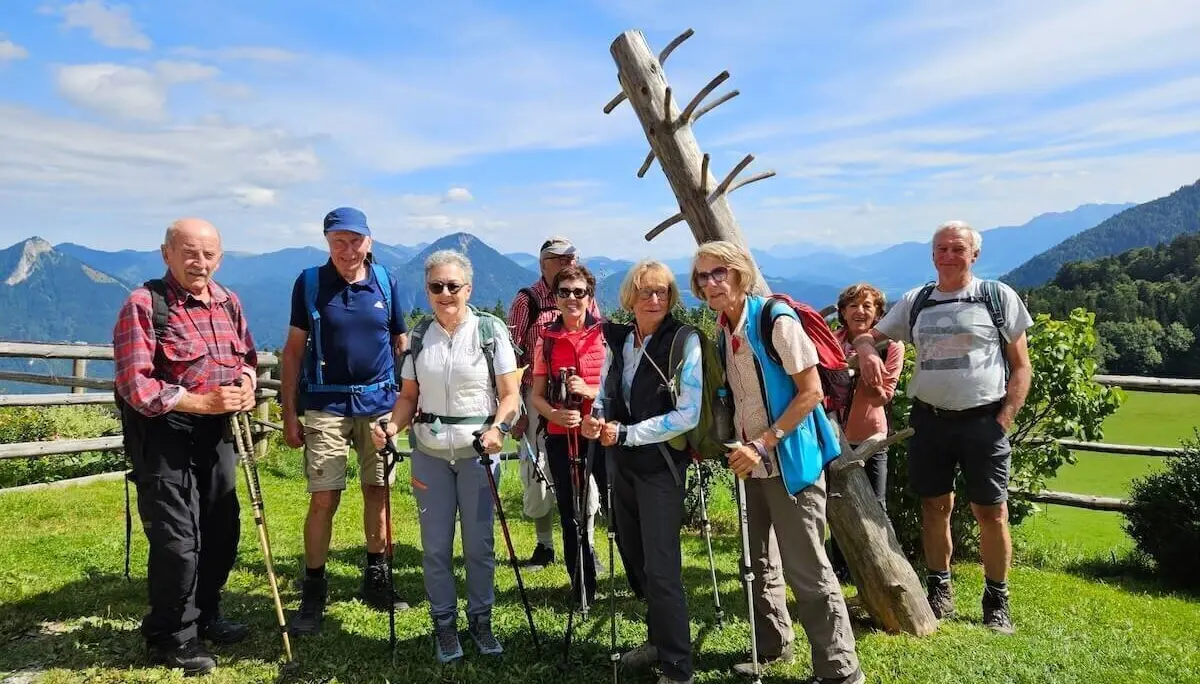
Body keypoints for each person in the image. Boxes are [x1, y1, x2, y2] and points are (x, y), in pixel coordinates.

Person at [691, 241, 864, 684]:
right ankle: (771, 647)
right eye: (702, 276)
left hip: (789, 463)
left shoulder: (774, 320)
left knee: (807, 570)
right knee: (758, 564)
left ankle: (841, 671)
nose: (710, 283)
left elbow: (811, 392)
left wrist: (765, 442)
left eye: (719, 273)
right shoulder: (722, 329)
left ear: (740, 274)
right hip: (750, 464)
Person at [854, 220, 1033, 634]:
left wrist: (1003, 420)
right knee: (935, 508)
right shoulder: (917, 300)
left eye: (957, 249)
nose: (948, 256)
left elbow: (1022, 367)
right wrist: (867, 352)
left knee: (991, 511)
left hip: (983, 421)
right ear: (932, 254)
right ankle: (940, 590)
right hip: (929, 420)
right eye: (941, 249)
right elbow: (867, 337)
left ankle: (996, 600)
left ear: (974, 254)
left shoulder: (995, 297)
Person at [113, 218, 257, 676]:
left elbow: (248, 357)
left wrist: (248, 386)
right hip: (164, 431)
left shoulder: (227, 301)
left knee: (222, 527)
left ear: (220, 256)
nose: (200, 263)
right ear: (167, 253)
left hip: (216, 430)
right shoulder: (144, 304)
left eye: (209, 254)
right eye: (189, 252)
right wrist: (199, 401)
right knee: (178, 539)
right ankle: (170, 637)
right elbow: (136, 386)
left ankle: (206, 613)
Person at [373, 250, 522, 663]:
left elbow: (510, 395)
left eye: (453, 286)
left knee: (479, 546)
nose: (445, 293)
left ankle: (480, 621)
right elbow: (407, 399)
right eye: (436, 286)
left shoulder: (490, 332)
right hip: (431, 454)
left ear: (468, 289)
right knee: (435, 547)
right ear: (427, 290)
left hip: (478, 453)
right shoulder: (420, 337)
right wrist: (391, 426)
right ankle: (444, 626)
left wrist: (499, 429)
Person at [279, 207, 409, 636]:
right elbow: (294, 350)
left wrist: (405, 399)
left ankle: (377, 578)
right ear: (326, 241)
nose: (348, 249)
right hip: (326, 405)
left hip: (379, 405)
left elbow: (400, 342)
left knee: (379, 490)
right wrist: (289, 412)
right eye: (339, 241)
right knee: (324, 497)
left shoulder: (387, 282)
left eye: (355, 240)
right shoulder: (310, 283)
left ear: (369, 241)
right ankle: (313, 589)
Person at [582, 260, 699, 684]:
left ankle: (677, 666)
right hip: (621, 465)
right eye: (647, 292)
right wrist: (596, 417)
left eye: (663, 292)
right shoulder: (619, 339)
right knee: (635, 556)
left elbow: (688, 414)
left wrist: (625, 432)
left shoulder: (684, 341)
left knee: (663, 566)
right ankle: (658, 638)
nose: (655, 300)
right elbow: (601, 388)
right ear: (630, 296)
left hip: (661, 467)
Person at [506, 236, 602, 570]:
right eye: (559, 259)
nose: (567, 264)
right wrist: (516, 409)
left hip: (581, 403)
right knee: (537, 473)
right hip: (536, 400)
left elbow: (598, 344)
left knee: (584, 475)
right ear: (543, 263)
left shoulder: (583, 295)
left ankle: (585, 547)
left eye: (571, 258)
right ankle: (544, 545)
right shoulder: (527, 300)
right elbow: (510, 357)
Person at [529, 264, 606, 605]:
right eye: (564, 292)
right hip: (563, 435)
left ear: (590, 297)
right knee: (570, 512)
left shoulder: (608, 335)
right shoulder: (546, 340)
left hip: (603, 435)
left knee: (618, 510)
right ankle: (582, 585)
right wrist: (555, 414)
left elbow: (620, 389)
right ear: (555, 297)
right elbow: (537, 395)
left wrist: (589, 391)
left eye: (579, 292)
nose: (572, 298)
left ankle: (640, 579)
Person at [828, 283, 904, 581]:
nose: (860, 311)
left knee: (875, 503)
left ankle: (884, 565)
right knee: (836, 500)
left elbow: (883, 397)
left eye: (868, 306)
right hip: (835, 435)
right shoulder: (832, 341)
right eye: (853, 306)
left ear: (879, 313)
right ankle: (842, 566)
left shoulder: (891, 347)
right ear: (843, 312)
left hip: (872, 436)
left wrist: (864, 368)